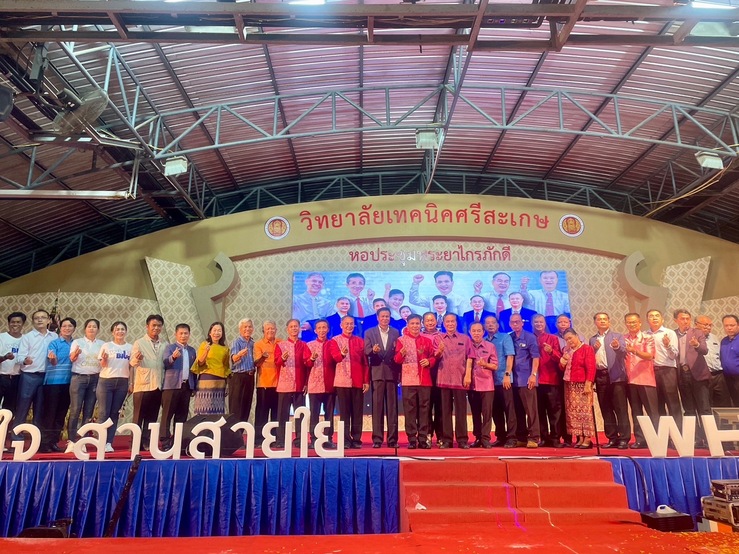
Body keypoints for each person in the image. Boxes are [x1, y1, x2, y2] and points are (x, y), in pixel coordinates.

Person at [394, 314, 436, 449]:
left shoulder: (427, 340)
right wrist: (401, 353)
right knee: (409, 410)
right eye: (412, 323)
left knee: (424, 410)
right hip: (408, 380)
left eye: (417, 323)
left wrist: (429, 361)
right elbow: (396, 360)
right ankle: (412, 439)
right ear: (407, 325)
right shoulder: (401, 340)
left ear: (421, 324)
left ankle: (423, 438)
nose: (415, 326)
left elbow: (433, 357)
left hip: (424, 380)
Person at [589, 312, 629, 449]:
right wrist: (593, 349)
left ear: (609, 321)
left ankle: (624, 438)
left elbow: (624, 352)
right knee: (606, 409)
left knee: (620, 409)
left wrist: (617, 346)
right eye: (599, 319)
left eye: (605, 319)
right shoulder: (592, 340)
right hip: (600, 376)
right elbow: (590, 359)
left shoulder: (617, 336)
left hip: (616, 376)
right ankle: (612, 438)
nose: (602, 321)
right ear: (595, 322)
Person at [15, 310, 57, 438]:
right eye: (37, 318)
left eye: (43, 317)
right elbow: (19, 357)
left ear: (49, 320)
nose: (40, 320)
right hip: (29, 377)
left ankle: (37, 439)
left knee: (41, 410)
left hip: (46, 377)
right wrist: (25, 360)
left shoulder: (54, 337)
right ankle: (17, 437)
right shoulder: (27, 337)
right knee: (22, 408)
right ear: (33, 321)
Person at [329, 316, 369, 448]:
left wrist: (366, 380)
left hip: (357, 381)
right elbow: (335, 358)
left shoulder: (360, 341)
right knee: (344, 413)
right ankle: (345, 440)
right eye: (346, 324)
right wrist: (342, 354)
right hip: (342, 381)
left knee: (357, 412)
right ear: (341, 325)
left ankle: (356, 440)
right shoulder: (335, 341)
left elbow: (365, 363)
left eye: (351, 324)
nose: (349, 326)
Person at [673, 309, 710, 447]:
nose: (685, 321)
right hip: (682, 374)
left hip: (698, 374)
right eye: (682, 319)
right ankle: (695, 438)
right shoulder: (672, 334)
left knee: (704, 408)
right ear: (676, 320)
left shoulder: (697, 332)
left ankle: (709, 438)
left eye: (687, 318)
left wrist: (697, 345)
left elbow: (704, 350)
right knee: (689, 409)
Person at [364, 307, 400, 448]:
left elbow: (397, 353)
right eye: (383, 316)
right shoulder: (369, 332)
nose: (385, 318)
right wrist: (373, 351)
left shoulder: (395, 332)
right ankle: (377, 440)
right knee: (377, 407)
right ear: (378, 318)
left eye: (387, 316)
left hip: (391, 373)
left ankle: (392, 440)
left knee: (392, 408)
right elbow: (366, 350)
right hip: (377, 373)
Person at [130, 314, 167, 450]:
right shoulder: (139, 343)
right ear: (147, 326)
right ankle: (134, 443)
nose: (156, 328)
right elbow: (132, 363)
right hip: (143, 385)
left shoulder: (165, 344)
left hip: (158, 386)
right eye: (153, 325)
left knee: (152, 417)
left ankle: (146, 442)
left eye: (159, 326)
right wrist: (137, 359)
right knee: (138, 416)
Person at [67, 318, 104, 449]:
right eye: (89, 326)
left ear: (98, 330)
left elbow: (104, 362)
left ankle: (83, 441)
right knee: (75, 410)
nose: (91, 329)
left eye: (94, 327)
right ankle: (71, 441)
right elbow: (72, 358)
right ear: (85, 329)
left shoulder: (102, 344)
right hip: (79, 378)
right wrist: (76, 354)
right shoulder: (77, 342)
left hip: (95, 379)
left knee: (88, 411)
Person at [437, 313, 472, 449]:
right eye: (448, 321)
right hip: (444, 378)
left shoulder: (465, 338)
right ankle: (447, 440)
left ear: (456, 323)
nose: (450, 324)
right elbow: (434, 357)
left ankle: (462, 440)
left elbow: (470, 358)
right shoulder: (438, 338)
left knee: (461, 411)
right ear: (444, 323)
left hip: (460, 379)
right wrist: (438, 352)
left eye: (452, 321)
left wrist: (467, 375)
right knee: (445, 411)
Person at [41, 317, 76, 453]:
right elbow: (53, 361)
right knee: (50, 414)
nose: (67, 328)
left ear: (74, 328)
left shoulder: (76, 344)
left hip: (69, 383)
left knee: (61, 414)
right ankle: (44, 444)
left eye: (70, 326)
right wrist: (53, 359)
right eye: (64, 326)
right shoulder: (54, 343)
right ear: (60, 328)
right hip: (53, 383)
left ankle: (54, 442)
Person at [624, 312, 658, 449]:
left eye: (634, 322)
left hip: (646, 379)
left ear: (639, 323)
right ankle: (640, 439)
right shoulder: (623, 339)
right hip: (630, 380)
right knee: (636, 412)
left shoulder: (647, 338)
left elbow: (650, 355)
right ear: (625, 324)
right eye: (629, 322)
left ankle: (656, 439)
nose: (631, 324)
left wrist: (635, 351)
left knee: (652, 411)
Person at [160, 323, 197, 449]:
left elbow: (194, 370)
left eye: (186, 333)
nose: (183, 336)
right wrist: (173, 357)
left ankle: (178, 442)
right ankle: (165, 442)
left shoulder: (192, 350)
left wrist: (194, 386)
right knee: (167, 415)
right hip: (171, 386)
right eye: (181, 333)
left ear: (189, 335)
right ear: (176, 334)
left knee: (182, 416)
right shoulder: (170, 348)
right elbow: (165, 363)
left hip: (186, 386)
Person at [274, 319, 310, 448]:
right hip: (284, 385)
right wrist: (282, 358)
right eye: (291, 326)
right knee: (282, 414)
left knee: (300, 414)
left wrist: (306, 383)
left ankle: (300, 439)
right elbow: (276, 362)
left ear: (299, 328)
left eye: (296, 326)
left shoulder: (304, 345)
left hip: (299, 385)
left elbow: (308, 365)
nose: (294, 328)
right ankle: (281, 440)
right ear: (287, 329)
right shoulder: (281, 345)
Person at [97, 321, 131, 453]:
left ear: (126, 331)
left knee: (115, 413)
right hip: (106, 381)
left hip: (122, 382)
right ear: (112, 332)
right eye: (117, 329)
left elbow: (132, 367)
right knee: (103, 413)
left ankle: (109, 442)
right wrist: (105, 359)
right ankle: (101, 441)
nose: (120, 332)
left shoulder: (130, 347)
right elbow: (102, 365)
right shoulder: (107, 346)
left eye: (122, 329)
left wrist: (131, 383)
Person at [559, 329, 596, 449]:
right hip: (569, 384)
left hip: (582, 384)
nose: (569, 341)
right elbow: (562, 368)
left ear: (577, 336)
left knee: (585, 412)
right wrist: (562, 362)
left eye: (570, 338)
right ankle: (579, 437)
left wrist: (588, 383)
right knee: (573, 412)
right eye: (566, 339)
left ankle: (587, 438)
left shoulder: (587, 349)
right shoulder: (567, 350)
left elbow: (591, 367)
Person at [646, 309, 681, 429]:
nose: (654, 318)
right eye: (651, 316)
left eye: (657, 315)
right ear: (647, 320)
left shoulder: (669, 333)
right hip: (650, 372)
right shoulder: (645, 335)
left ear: (662, 319)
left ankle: (678, 433)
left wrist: (667, 345)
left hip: (668, 370)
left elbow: (674, 355)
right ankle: (663, 433)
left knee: (673, 403)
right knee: (657, 404)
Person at [484, 315, 516, 448]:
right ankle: (501, 437)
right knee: (495, 410)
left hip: (504, 379)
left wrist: (507, 374)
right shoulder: (483, 340)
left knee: (509, 410)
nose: (490, 325)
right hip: (490, 381)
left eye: (493, 323)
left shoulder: (505, 337)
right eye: (488, 323)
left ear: (497, 325)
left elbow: (510, 356)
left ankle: (512, 438)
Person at [533, 314, 564, 448]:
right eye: (536, 322)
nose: (539, 324)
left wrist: (551, 351)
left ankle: (555, 438)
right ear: (532, 323)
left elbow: (560, 358)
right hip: (535, 381)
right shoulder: (530, 338)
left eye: (541, 322)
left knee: (554, 411)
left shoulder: (553, 338)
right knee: (539, 411)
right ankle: (544, 438)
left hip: (551, 379)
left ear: (545, 323)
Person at [509, 313, 540, 448]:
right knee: (518, 411)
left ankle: (534, 437)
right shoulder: (509, 337)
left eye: (517, 322)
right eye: (513, 322)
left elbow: (535, 357)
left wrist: (533, 375)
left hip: (527, 379)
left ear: (522, 323)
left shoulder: (529, 337)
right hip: (513, 380)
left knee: (531, 410)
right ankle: (521, 437)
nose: (515, 324)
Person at [306, 319, 337, 448]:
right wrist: (311, 359)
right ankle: (314, 439)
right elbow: (306, 364)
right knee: (314, 413)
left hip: (330, 384)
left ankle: (328, 438)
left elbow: (336, 360)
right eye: (319, 328)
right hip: (314, 384)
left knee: (329, 413)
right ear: (315, 330)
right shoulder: (309, 345)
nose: (322, 330)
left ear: (328, 329)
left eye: (324, 327)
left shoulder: (332, 344)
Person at [467, 322, 498, 448]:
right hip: (472, 385)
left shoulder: (490, 346)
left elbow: (495, 365)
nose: (476, 333)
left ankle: (486, 438)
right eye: (474, 331)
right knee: (475, 413)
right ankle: (478, 437)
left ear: (483, 332)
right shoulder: (467, 346)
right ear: (470, 332)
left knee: (487, 413)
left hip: (487, 385)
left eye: (479, 331)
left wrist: (485, 364)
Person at [192, 322, 231, 415]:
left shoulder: (225, 349)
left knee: (217, 410)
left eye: (219, 331)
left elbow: (226, 367)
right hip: (206, 379)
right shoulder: (204, 344)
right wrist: (206, 351)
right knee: (204, 409)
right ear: (210, 332)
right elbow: (200, 362)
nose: (216, 333)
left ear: (222, 333)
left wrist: (227, 384)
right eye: (214, 330)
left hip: (220, 381)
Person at [0, 311, 25, 447]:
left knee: (10, 411)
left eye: (18, 322)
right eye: (12, 322)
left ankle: (3, 441)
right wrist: (5, 357)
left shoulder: (26, 339)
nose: (15, 324)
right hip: (1, 377)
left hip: (17, 379)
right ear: (8, 323)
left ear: (23, 324)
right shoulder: (2, 337)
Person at [695, 315, 732, 407]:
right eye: (705, 325)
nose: (708, 327)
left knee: (725, 403)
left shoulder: (714, 337)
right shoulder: (693, 338)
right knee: (706, 404)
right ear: (696, 324)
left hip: (719, 375)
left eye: (710, 325)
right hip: (704, 376)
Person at [254, 321, 281, 442]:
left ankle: (275, 439)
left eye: (272, 328)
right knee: (262, 413)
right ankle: (259, 439)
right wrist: (263, 357)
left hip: (278, 383)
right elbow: (257, 364)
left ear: (276, 330)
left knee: (276, 413)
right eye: (268, 329)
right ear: (263, 331)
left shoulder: (281, 343)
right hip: (263, 383)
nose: (270, 331)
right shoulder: (258, 344)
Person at [422, 311, 444, 447]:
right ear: (423, 322)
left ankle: (441, 436)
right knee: (426, 406)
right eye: (427, 320)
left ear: (437, 321)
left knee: (440, 406)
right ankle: (427, 434)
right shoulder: (419, 336)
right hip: (425, 373)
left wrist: (440, 353)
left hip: (440, 373)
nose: (430, 323)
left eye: (432, 320)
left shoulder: (443, 336)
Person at [229, 318, 257, 423]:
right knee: (236, 407)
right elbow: (233, 359)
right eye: (245, 327)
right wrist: (239, 355)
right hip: (238, 377)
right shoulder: (236, 342)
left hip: (250, 377)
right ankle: (233, 432)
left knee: (246, 406)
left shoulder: (253, 343)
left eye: (250, 327)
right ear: (240, 329)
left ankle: (241, 431)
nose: (248, 329)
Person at [720, 315, 739, 406]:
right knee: (734, 403)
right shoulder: (724, 341)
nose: (729, 328)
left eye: (732, 325)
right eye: (726, 325)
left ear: (738, 325)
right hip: (727, 379)